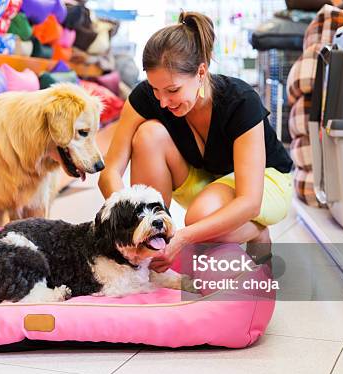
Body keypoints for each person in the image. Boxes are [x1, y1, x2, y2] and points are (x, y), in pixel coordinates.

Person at [98, 11, 294, 272]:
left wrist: (184, 238)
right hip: (209, 181)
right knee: (148, 134)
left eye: (173, 90)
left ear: (201, 72)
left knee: (199, 220)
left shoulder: (240, 102)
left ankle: (257, 232)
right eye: (156, 90)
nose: (163, 102)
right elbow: (110, 171)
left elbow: (250, 201)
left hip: (264, 184)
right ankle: (153, 253)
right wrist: (135, 221)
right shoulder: (147, 97)